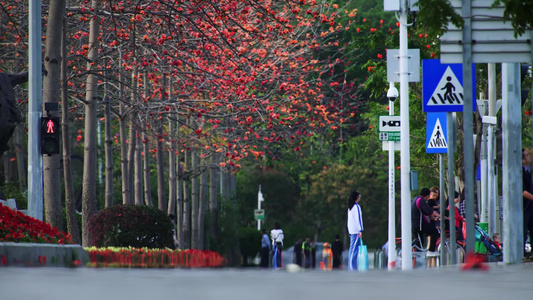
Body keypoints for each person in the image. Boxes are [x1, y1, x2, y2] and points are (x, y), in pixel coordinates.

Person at [411, 188, 440, 256]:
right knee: (434, 232)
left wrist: (432, 217)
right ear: (427, 195)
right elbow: (429, 210)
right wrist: (440, 215)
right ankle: (431, 251)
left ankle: (417, 257)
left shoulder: (416, 199)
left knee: (419, 241)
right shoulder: (421, 201)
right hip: (419, 225)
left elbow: (424, 212)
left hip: (415, 224)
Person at [347, 191, 363, 271]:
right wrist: (360, 230)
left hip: (351, 230)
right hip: (355, 231)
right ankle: (352, 267)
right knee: (354, 250)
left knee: (353, 249)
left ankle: (352, 266)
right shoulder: (356, 207)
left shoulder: (350, 207)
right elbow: (358, 219)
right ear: (357, 197)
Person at [522, 148, 533, 257]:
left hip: (530, 207)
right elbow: (523, 191)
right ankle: (522, 253)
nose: (529, 158)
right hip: (524, 207)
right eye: (527, 155)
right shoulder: (520, 172)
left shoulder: (527, 171)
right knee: (523, 231)